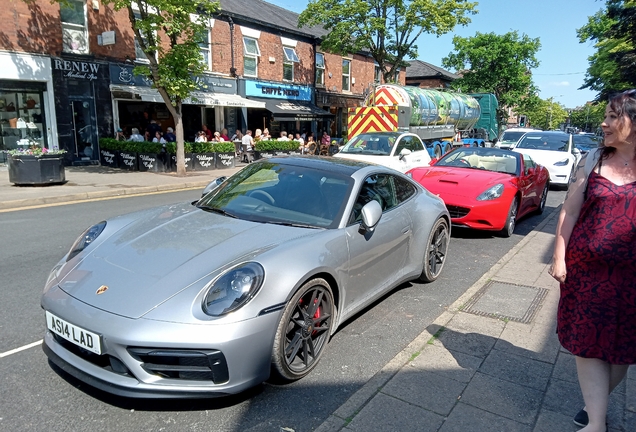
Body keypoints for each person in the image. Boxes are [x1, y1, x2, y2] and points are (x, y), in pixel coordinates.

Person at [549, 89, 636, 432]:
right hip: (586, 273)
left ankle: (593, 403)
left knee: (621, 350)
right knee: (588, 345)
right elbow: (569, 211)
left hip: (631, 278)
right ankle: (596, 422)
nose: (605, 123)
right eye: (607, 116)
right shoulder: (594, 159)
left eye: (614, 117)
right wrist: (559, 256)